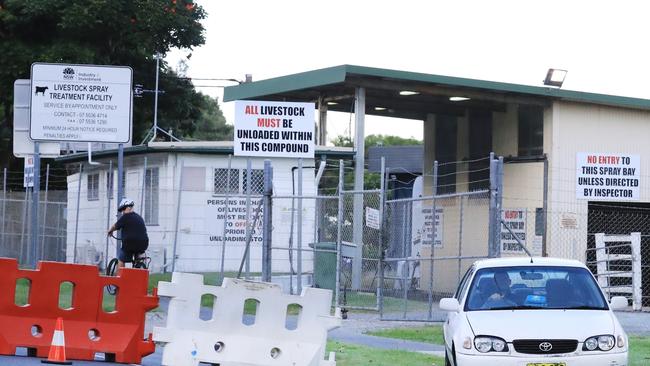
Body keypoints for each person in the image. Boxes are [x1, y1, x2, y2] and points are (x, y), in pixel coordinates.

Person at [107, 198, 149, 268]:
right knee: (139, 257)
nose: (123, 212)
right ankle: (140, 266)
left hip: (129, 244)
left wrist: (110, 231)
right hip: (143, 244)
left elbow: (115, 226)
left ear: (128, 207)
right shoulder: (139, 217)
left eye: (123, 209)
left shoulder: (125, 217)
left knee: (121, 259)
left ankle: (120, 276)